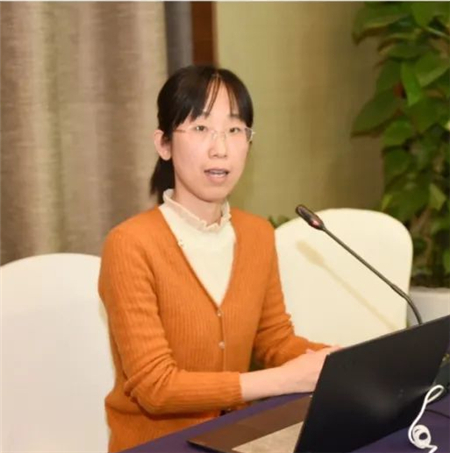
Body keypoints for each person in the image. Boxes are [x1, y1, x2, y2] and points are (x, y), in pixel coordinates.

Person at [98, 65, 337, 453]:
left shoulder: (257, 234)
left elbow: (274, 340)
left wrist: (342, 363)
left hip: (236, 439)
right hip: (158, 446)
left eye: (235, 129)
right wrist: (283, 379)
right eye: (200, 128)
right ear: (164, 144)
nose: (220, 148)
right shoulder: (130, 244)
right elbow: (155, 388)